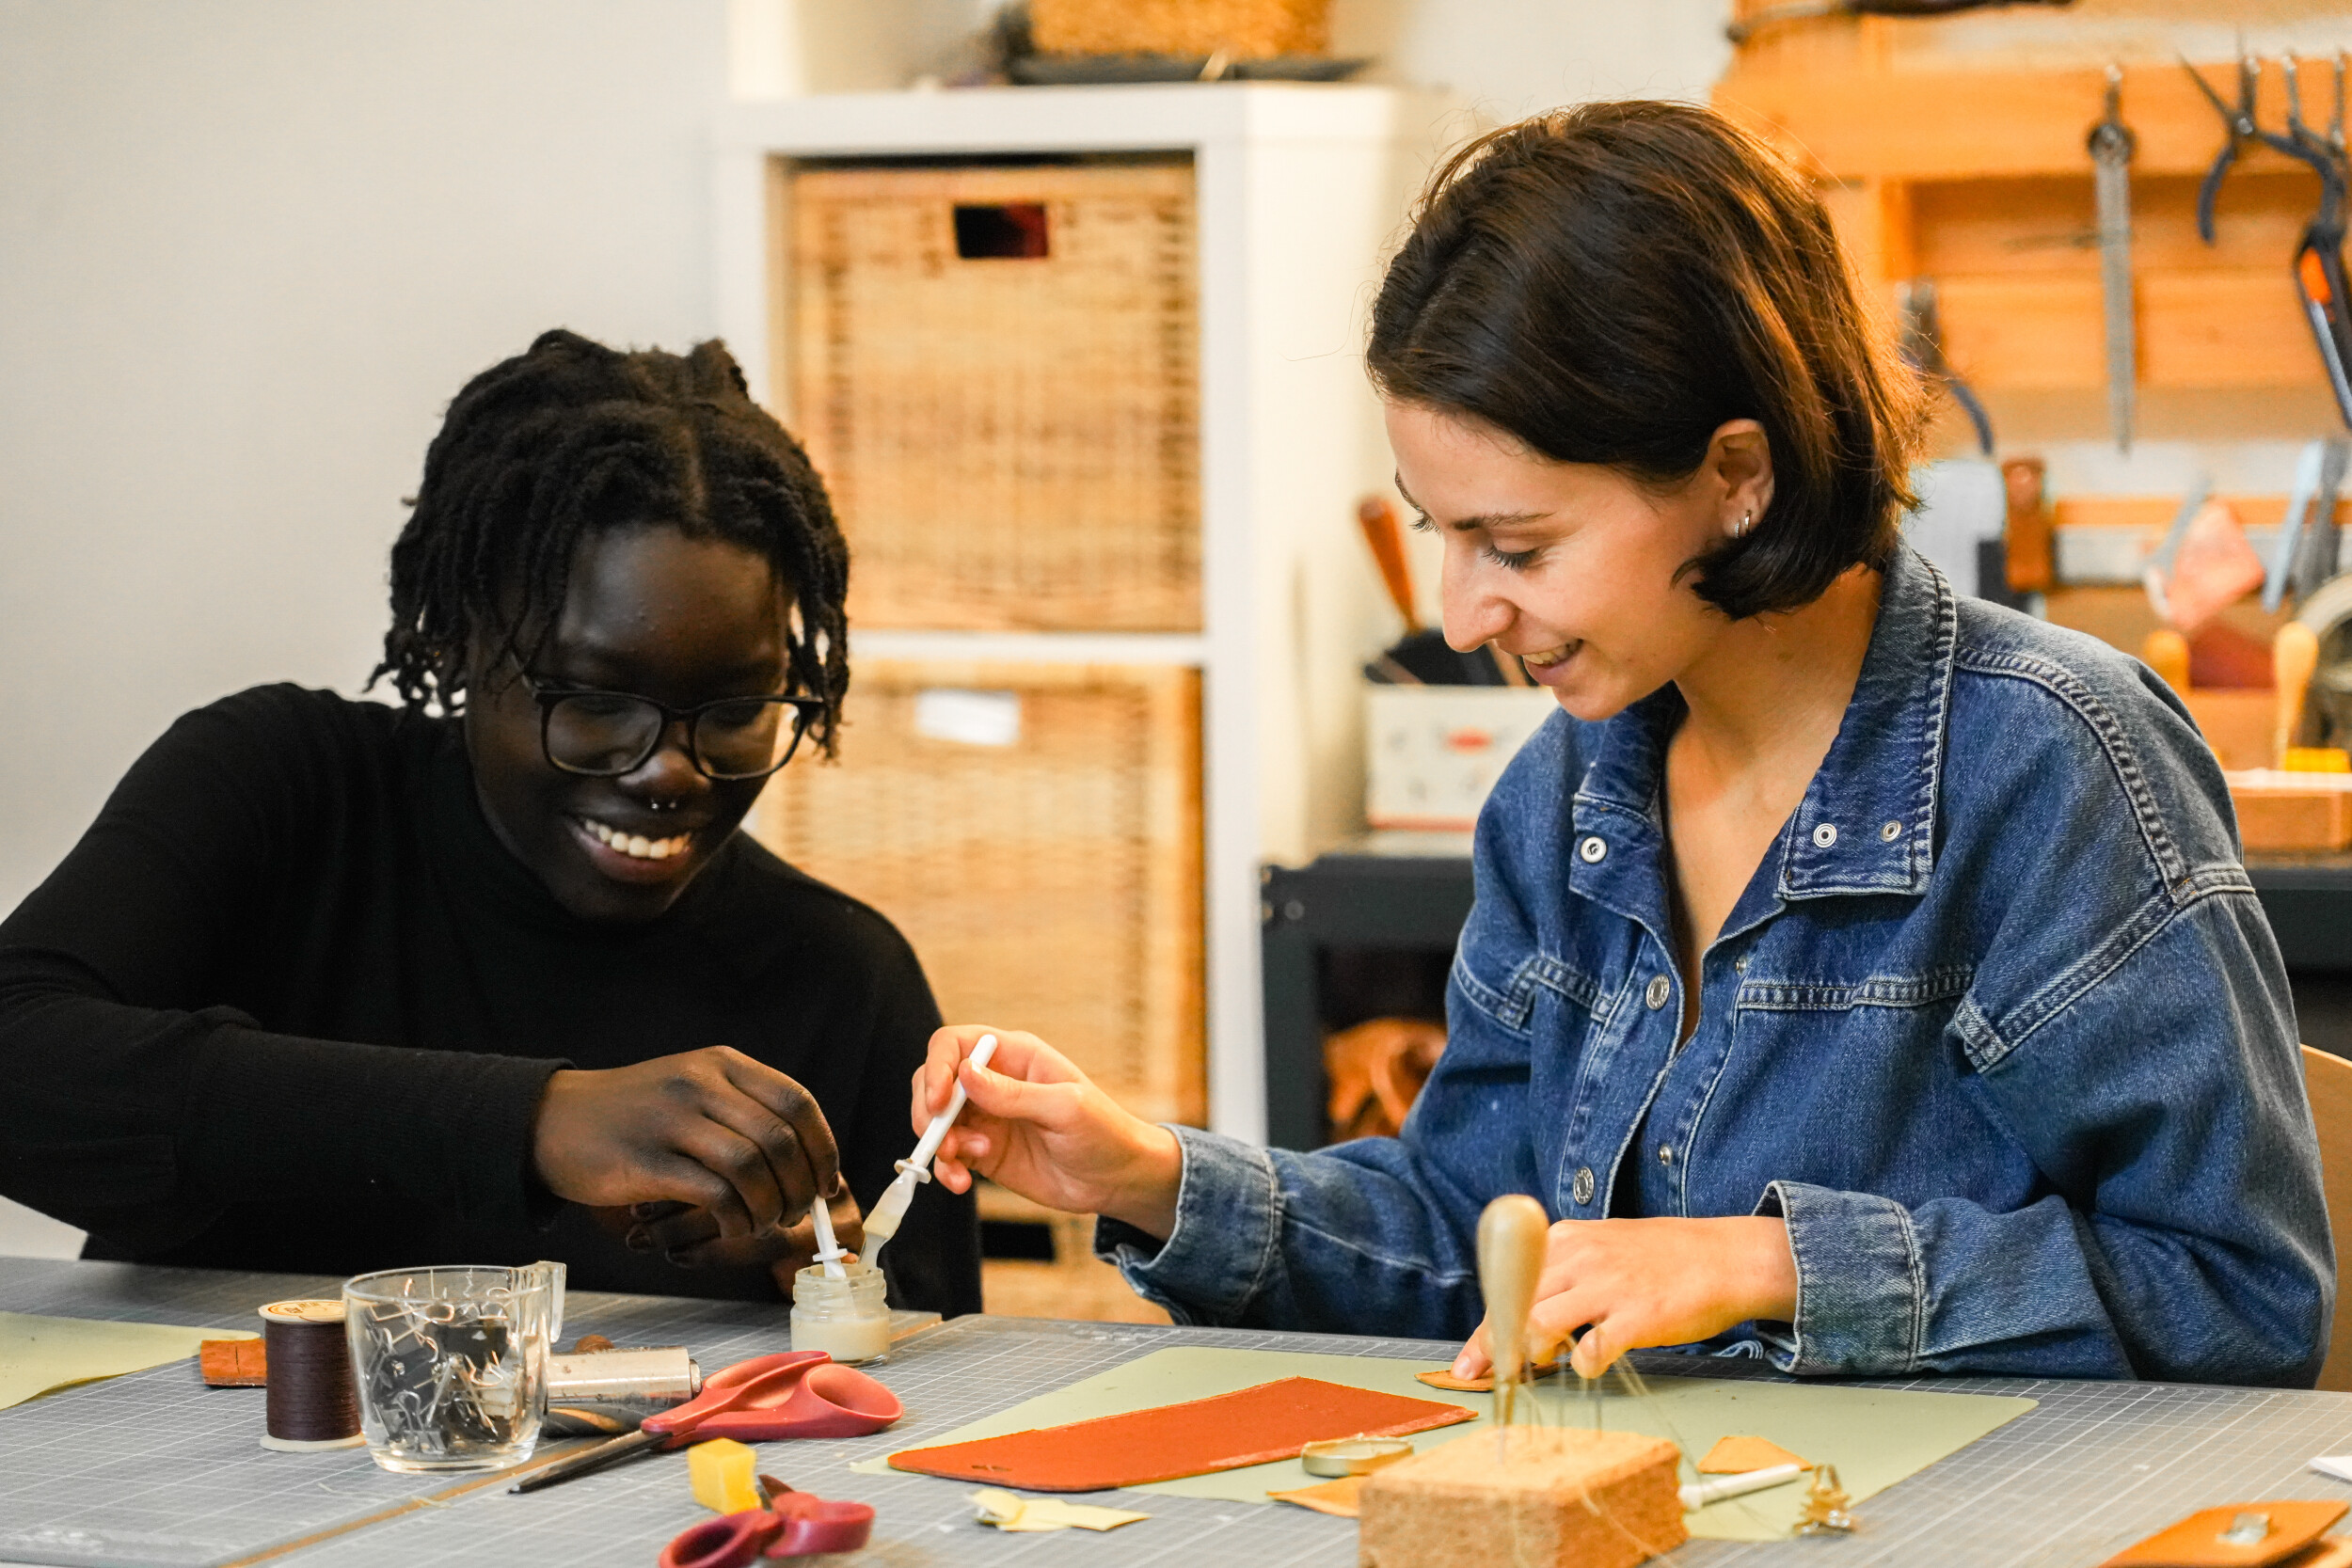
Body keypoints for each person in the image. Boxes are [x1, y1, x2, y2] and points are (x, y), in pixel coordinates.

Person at [903, 102, 2333, 1385]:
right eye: (1438, 532)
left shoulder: (2053, 764)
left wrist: (1769, 1263)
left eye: (1514, 541)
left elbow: (2239, 1293)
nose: (1464, 611)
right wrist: (1147, 1173)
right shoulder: (1564, 796)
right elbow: (1480, 1242)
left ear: (1735, 475)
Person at [0, 329, 980, 1314]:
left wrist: (814, 1268)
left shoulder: (838, 979)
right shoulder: (284, 792)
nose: (669, 770)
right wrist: (535, 1122)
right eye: (595, 701)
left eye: (733, 711)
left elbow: (928, 1396)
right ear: (459, 641)